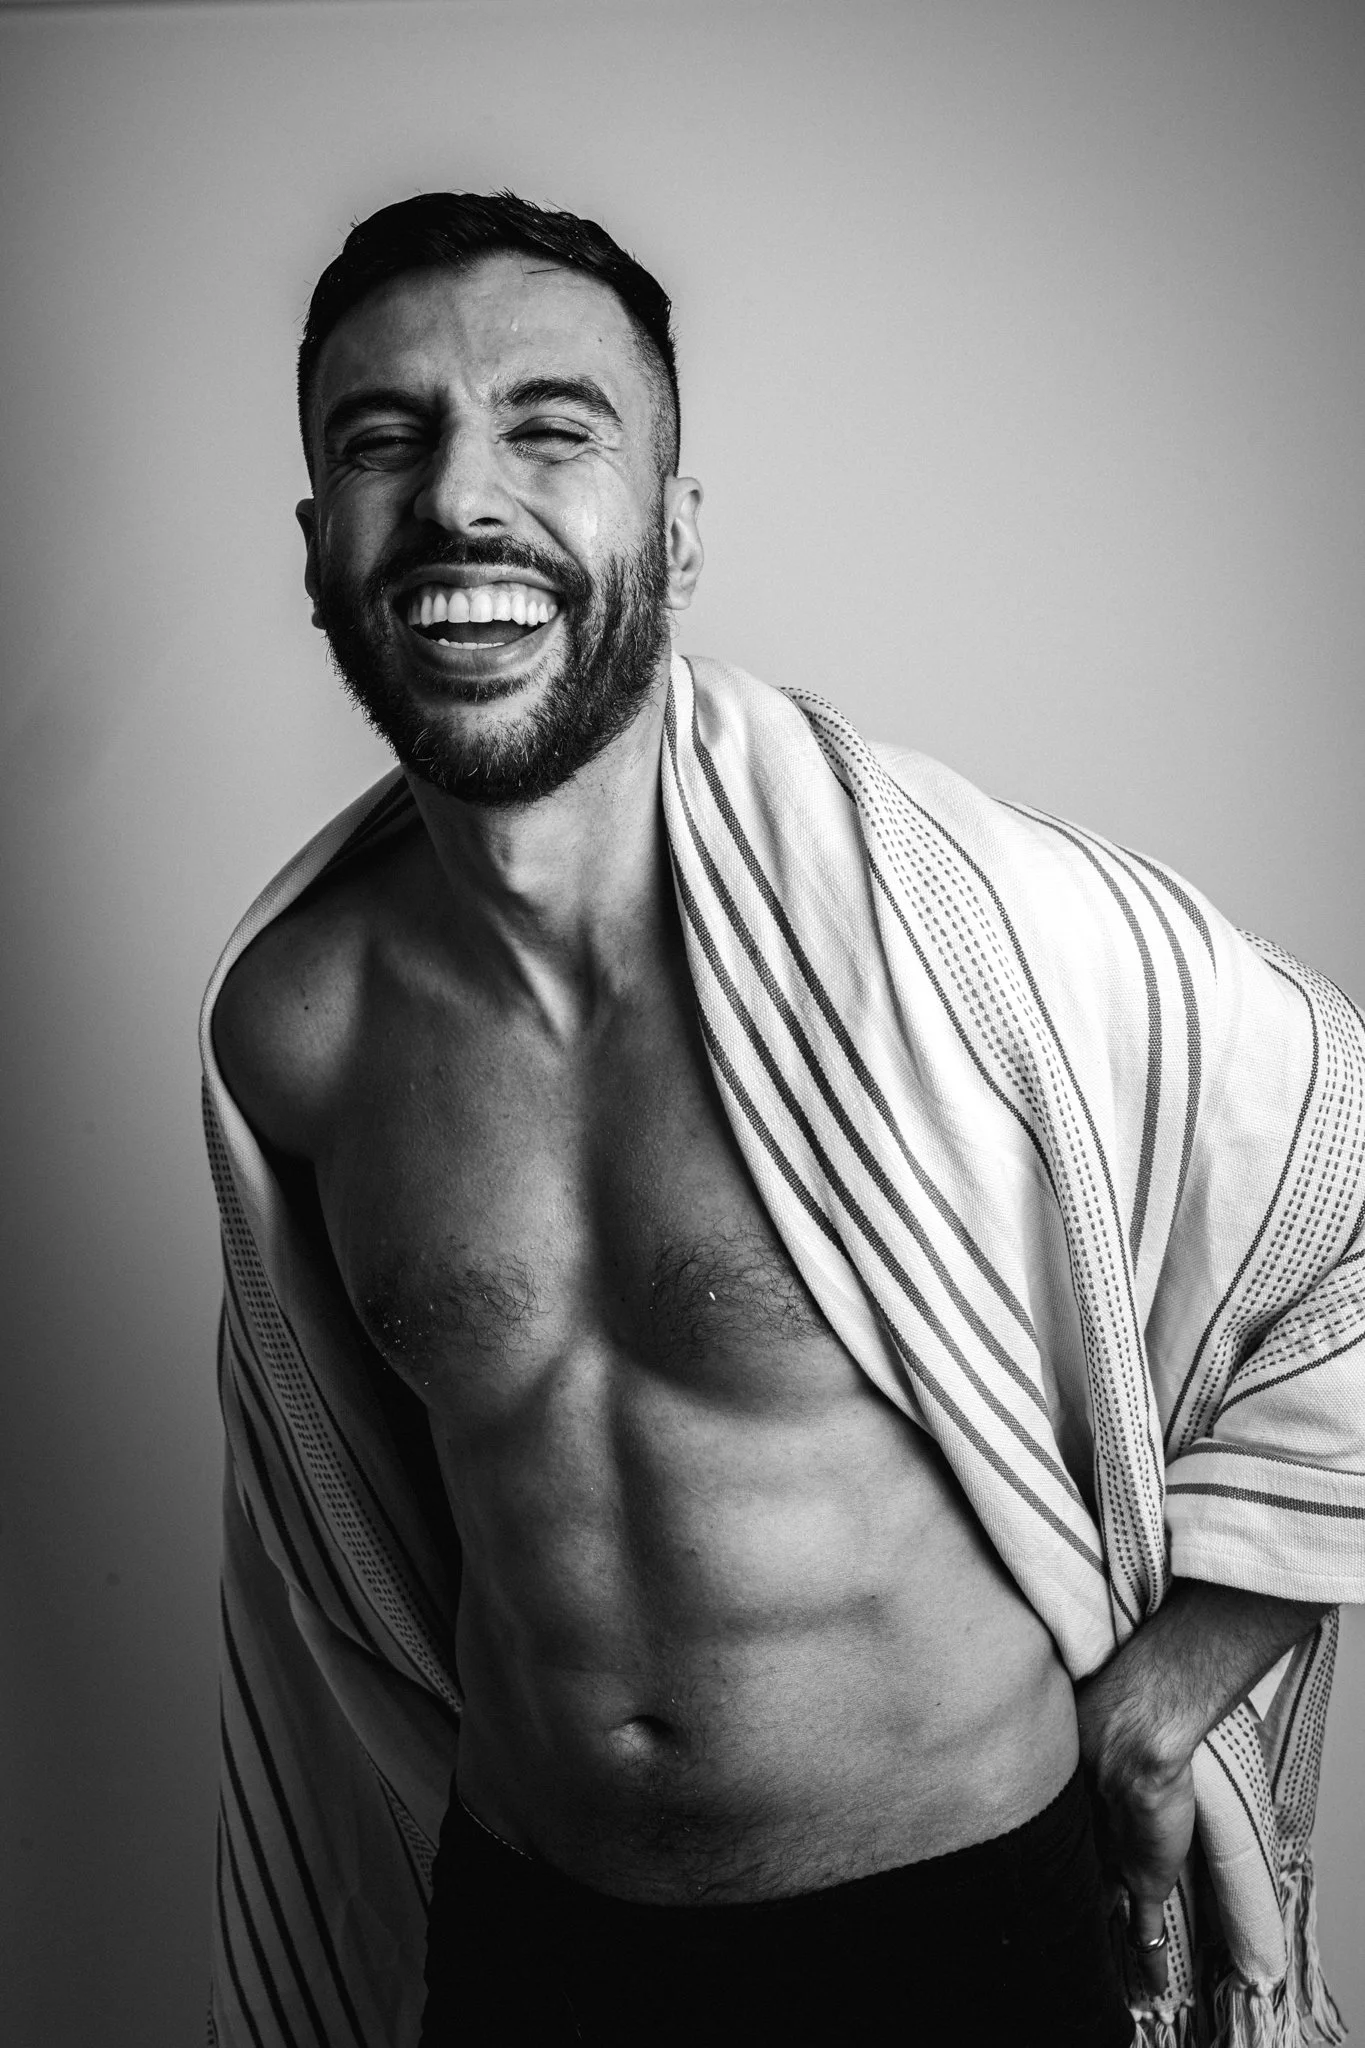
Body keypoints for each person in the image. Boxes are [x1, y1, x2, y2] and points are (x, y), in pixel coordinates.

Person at [201, 192, 1365, 2048]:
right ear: (318, 544)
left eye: (551, 429)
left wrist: (1176, 1693)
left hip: (958, 1944)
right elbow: (357, 1522)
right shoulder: (298, 1027)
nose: (460, 500)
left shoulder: (937, 924)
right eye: (384, 438)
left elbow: (1348, 1186)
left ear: (674, 526)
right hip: (534, 1948)